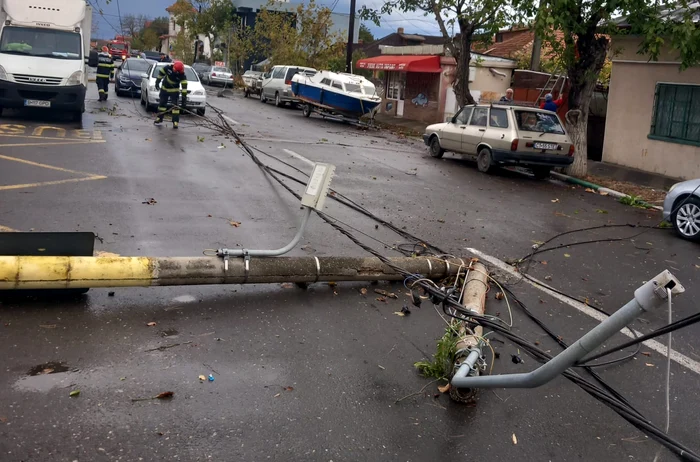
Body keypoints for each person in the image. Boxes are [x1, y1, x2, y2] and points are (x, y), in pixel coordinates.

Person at [154, 60, 189, 129]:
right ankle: (159, 118)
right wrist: (157, 82)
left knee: (175, 106)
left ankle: (175, 122)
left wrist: (184, 99)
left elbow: (184, 87)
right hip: (164, 89)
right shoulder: (168, 68)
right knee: (162, 105)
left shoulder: (182, 75)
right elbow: (161, 74)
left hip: (174, 91)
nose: (177, 72)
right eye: (176, 71)